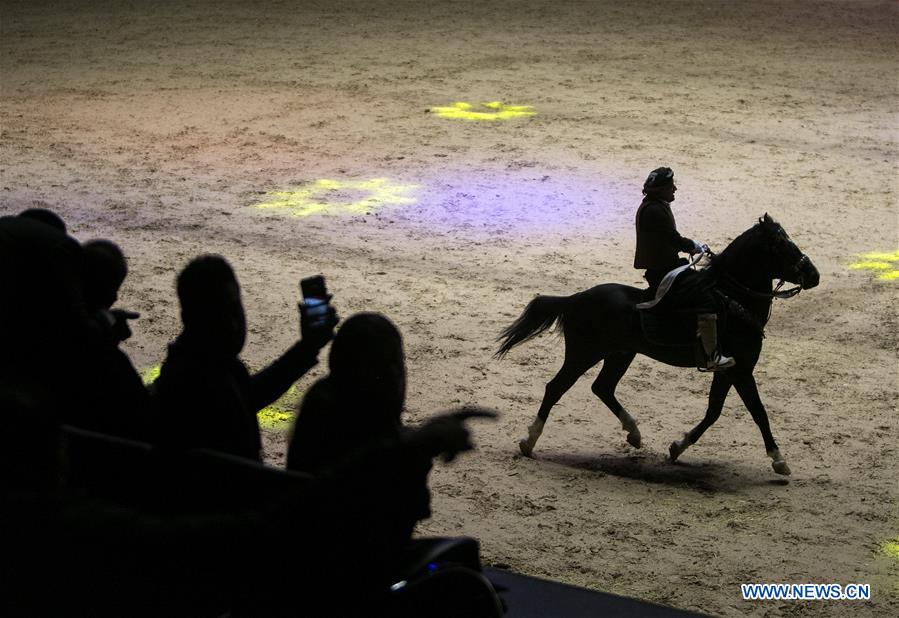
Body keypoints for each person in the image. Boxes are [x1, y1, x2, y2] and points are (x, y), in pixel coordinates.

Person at [151, 255, 337, 461]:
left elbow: (246, 397)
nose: (232, 325)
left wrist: (307, 348)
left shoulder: (198, 367)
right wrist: (306, 349)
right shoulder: (195, 381)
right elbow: (243, 401)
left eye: (234, 309)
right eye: (217, 314)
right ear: (189, 318)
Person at [634, 167, 734, 371]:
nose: (675, 189)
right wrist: (693, 245)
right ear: (661, 189)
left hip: (669, 265)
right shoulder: (655, 210)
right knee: (705, 297)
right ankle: (711, 355)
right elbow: (672, 238)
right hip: (663, 271)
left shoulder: (655, 206)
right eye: (671, 186)